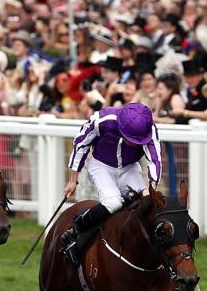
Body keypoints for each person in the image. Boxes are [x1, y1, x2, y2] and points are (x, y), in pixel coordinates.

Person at [60, 103, 161, 265]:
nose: (136, 144)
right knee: (113, 203)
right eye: (132, 139)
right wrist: (73, 179)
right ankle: (76, 229)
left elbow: (155, 160)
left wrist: (152, 189)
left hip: (129, 167)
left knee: (143, 204)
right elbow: (81, 143)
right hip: (102, 165)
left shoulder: (150, 129)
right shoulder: (102, 119)